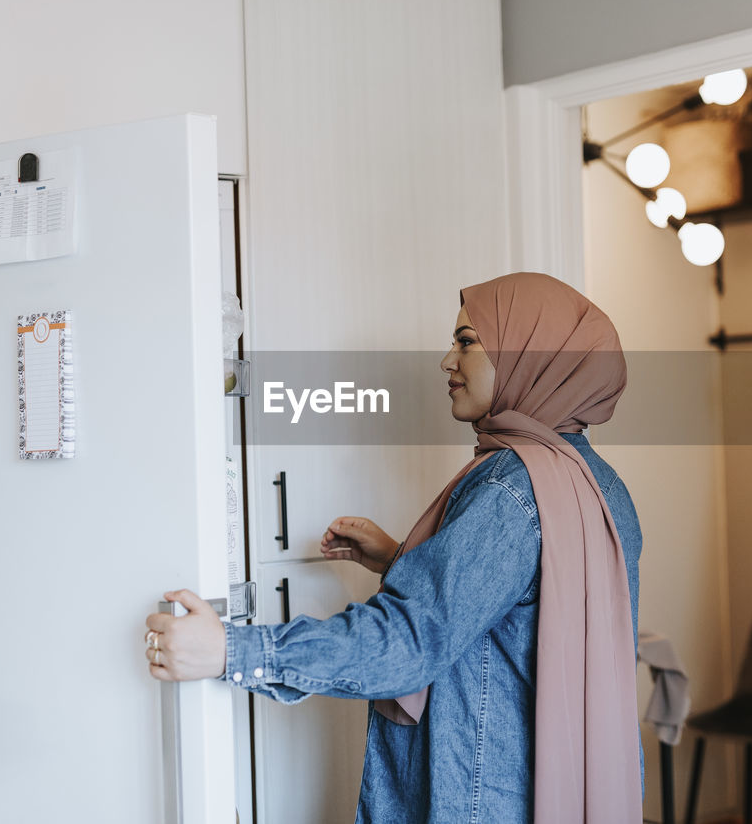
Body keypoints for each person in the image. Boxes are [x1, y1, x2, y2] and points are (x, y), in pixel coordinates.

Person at [145, 271, 645, 823]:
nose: (447, 361)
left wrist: (232, 653)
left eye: (466, 341)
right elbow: (521, 619)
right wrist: (404, 558)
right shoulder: (598, 486)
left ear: (528, 353)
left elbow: (409, 641)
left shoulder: (510, 487)